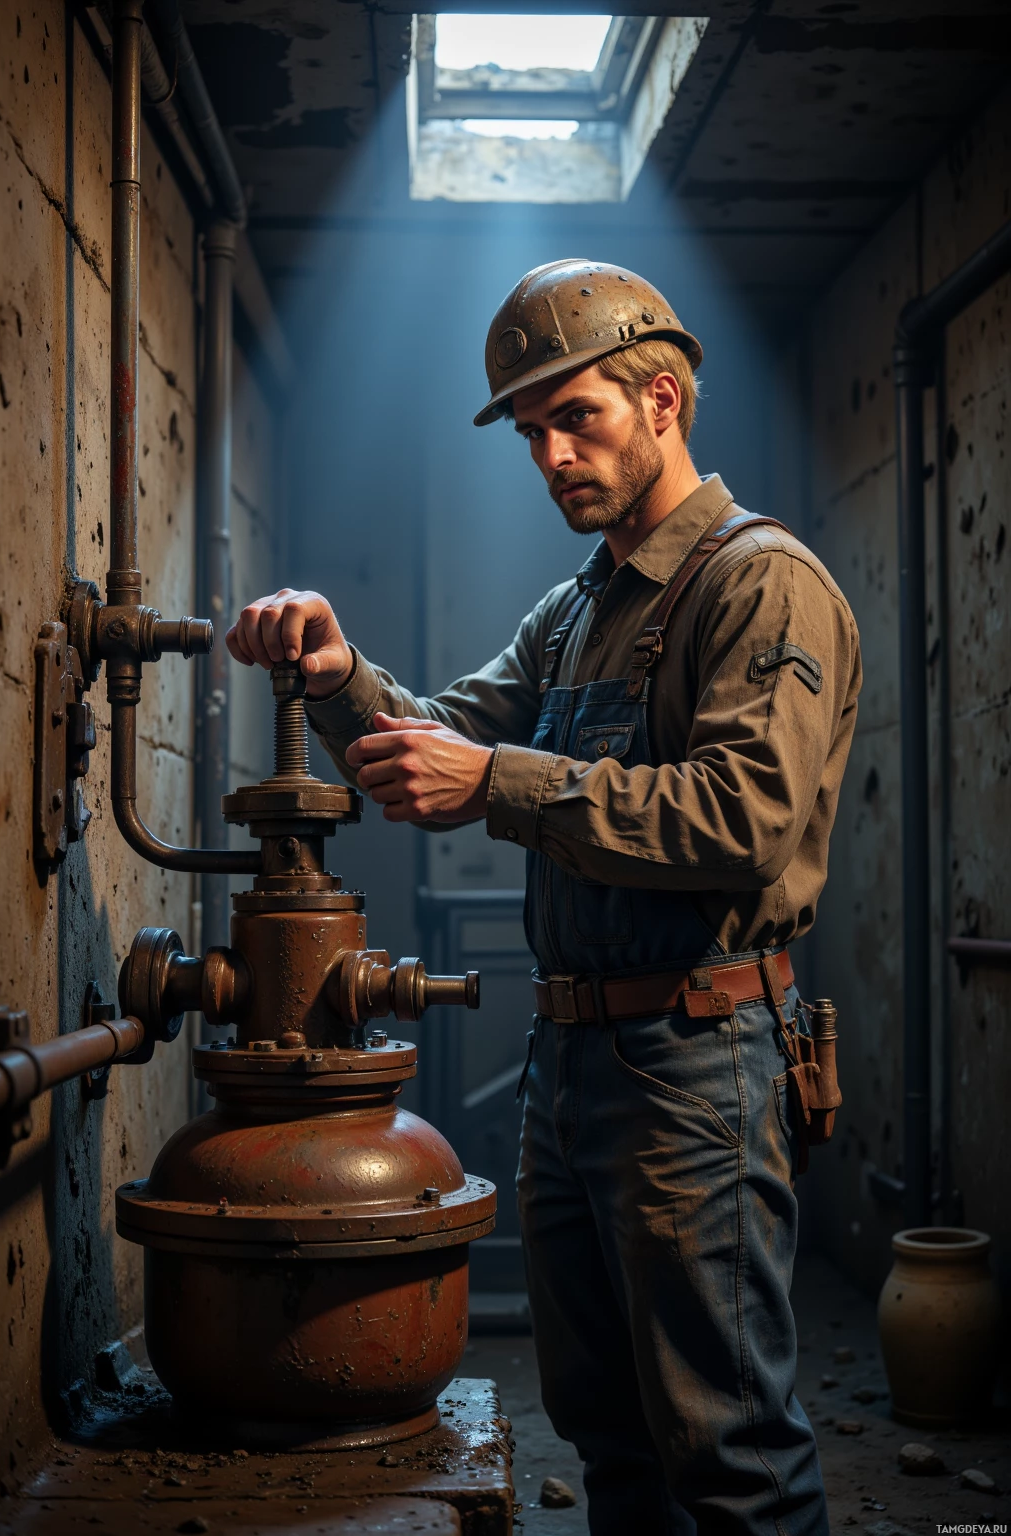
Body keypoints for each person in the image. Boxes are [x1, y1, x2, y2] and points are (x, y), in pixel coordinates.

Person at [227, 259, 861, 1535]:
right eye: (532, 433)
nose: (553, 454)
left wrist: (500, 780)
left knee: (728, 1448)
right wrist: (347, 673)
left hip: (699, 1059)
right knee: (607, 1427)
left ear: (664, 399)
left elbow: (744, 818)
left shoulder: (758, 582)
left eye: (579, 419)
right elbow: (434, 738)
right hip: (571, 1064)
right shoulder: (576, 615)